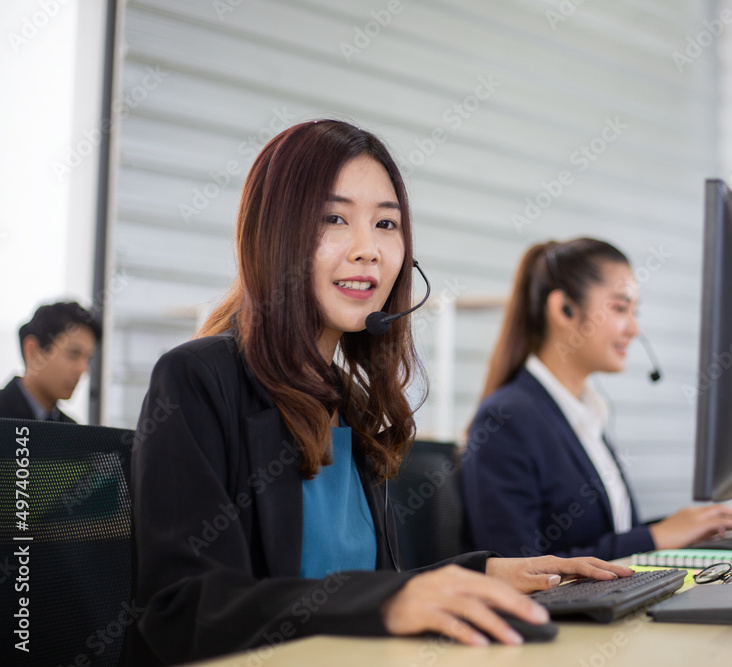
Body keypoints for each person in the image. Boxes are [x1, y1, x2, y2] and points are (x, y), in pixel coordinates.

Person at [125, 121, 631, 666]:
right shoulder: (198, 379)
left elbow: (353, 588)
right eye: (334, 219)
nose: (369, 250)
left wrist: (478, 572)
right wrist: (393, 599)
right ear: (274, 234)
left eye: (386, 223)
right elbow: (186, 610)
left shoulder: (347, 401)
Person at [461, 238, 732, 561]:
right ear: (563, 309)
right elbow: (515, 568)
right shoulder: (506, 418)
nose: (634, 328)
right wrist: (655, 537)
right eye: (620, 308)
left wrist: (687, 527)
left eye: (635, 311)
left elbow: (602, 540)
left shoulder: (583, 413)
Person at [0, 300, 100, 422]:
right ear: (33, 352)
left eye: (88, 358)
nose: (83, 369)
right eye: (73, 354)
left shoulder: (73, 432)